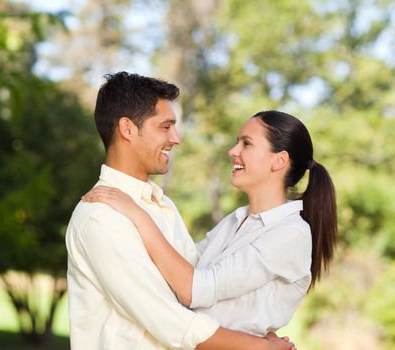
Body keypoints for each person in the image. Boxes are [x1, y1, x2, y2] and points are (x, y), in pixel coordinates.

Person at [65, 71, 296, 350]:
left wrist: (259, 331)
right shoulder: (100, 216)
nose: (176, 138)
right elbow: (168, 320)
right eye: (165, 126)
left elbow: (199, 285)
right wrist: (258, 346)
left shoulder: (162, 206)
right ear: (127, 128)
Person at [82, 110, 338, 337]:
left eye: (246, 144)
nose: (233, 151)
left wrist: (137, 214)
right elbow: (184, 266)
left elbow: (194, 289)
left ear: (278, 161)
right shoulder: (235, 220)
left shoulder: (291, 233)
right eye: (237, 142)